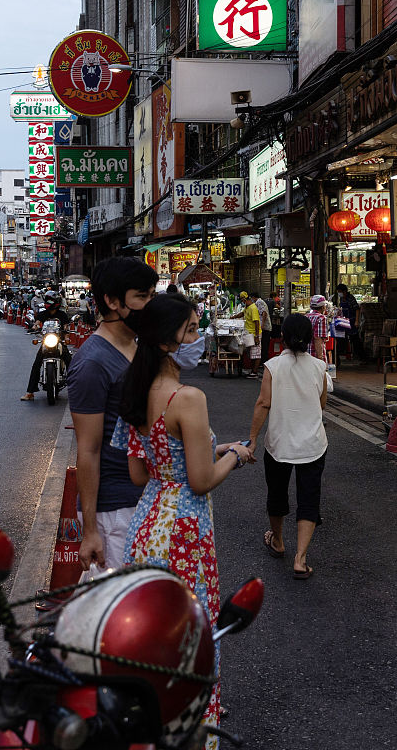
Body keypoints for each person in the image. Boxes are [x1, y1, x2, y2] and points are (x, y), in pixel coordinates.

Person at [112, 293, 254, 747]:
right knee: (193, 635)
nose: (199, 338)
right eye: (191, 330)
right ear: (166, 340)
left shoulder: (137, 390)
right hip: (184, 532)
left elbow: (141, 472)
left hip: (147, 524)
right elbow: (200, 480)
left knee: (153, 638)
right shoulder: (187, 397)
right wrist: (233, 454)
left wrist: (210, 449)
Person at [70, 257, 159, 568]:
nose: (150, 305)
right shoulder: (92, 363)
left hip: (145, 498)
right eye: (142, 296)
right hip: (114, 511)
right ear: (111, 301)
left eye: (152, 295)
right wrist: (90, 530)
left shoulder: (140, 348)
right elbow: (88, 449)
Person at [248, 314, 329, 579]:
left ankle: (278, 541)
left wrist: (253, 438)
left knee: (277, 493)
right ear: (309, 339)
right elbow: (321, 405)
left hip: (279, 443)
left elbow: (263, 403)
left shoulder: (272, 366)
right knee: (309, 498)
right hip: (313, 444)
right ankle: (301, 559)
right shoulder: (319, 367)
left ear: (282, 336)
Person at [21, 292, 71, 401]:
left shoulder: (62, 314)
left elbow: (66, 327)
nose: (49, 303)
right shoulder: (43, 314)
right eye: (48, 300)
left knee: (70, 362)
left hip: (59, 341)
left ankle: (76, 389)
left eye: (51, 301)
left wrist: (67, 336)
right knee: (36, 364)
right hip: (47, 342)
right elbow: (37, 323)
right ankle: (30, 393)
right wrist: (33, 328)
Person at [335, 283, 367, 362]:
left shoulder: (350, 298)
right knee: (342, 338)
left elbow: (357, 309)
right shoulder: (342, 299)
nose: (339, 294)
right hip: (345, 321)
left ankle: (363, 357)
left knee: (355, 340)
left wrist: (357, 321)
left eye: (340, 292)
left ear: (344, 291)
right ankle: (344, 356)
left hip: (352, 321)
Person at [238, 291, 262, 378]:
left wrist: (256, 336)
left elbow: (257, 322)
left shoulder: (253, 308)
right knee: (252, 353)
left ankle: (255, 372)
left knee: (256, 354)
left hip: (255, 334)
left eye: (242, 301)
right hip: (249, 333)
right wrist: (233, 317)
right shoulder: (247, 307)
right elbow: (242, 313)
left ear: (244, 300)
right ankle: (252, 371)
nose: (242, 302)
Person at [306, 295, 331, 365]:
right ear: (323, 307)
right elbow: (318, 339)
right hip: (315, 357)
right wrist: (320, 360)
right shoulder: (321, 318)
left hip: (306, 356)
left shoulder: (306, 316)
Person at [254, 292, 273, 357]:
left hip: (265, 327)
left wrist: (262, 325)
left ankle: (264, 360)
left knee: (264, 345)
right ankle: (263, 359)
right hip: (264, 327)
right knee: (264, 344)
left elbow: (264, 313)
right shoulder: (258, 302)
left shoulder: (259, 302)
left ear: (253, 297)